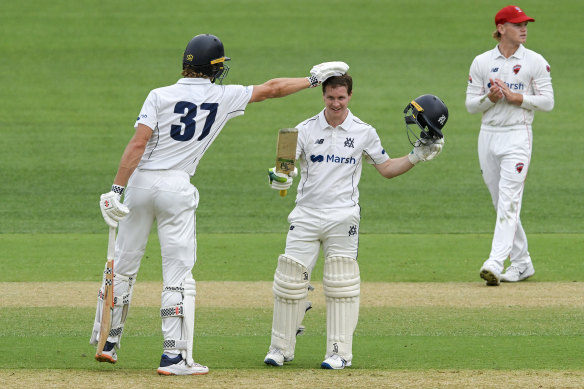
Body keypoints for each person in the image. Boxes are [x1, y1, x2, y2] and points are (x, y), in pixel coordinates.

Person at [89, 33, 349, 375]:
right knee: (177, 275)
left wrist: (115, 190)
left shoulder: (159, 95)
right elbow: (272, 88)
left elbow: (137, 144)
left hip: (138, 184)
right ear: (213, 68)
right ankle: (174, 357)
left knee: (123, 266)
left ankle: (108, 341)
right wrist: (313, 78)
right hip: (176, 187)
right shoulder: (223, 95)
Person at [263, 74, 448, 369]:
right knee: (289, 280)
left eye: (341, 98)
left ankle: (339, 353)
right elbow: (283, 167)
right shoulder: (303, 130)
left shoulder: (364, 132)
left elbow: (386, 169)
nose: (335, 104)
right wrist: (281, 176)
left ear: (350, 97)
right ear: (323, 96)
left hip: (343, 216)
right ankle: (280, 348)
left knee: (341, 284)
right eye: (330, 98)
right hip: (306, 214)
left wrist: (416, 156)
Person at [465, 6, 554, 286]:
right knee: (500, 201)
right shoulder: (481, 61)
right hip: (488, 134)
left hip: (518, 135)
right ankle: (522, 262)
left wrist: (519, 99)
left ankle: (494, 261)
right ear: (501, 28)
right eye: (517, 25)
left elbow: (548, 102)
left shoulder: (535, 61)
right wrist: (490, 99)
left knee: (509, 200)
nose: (524, 29)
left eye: (525, 24)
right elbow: (470, 105)